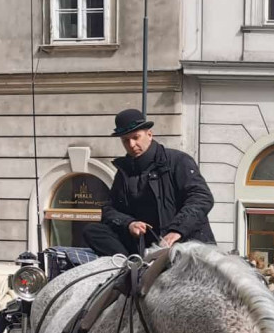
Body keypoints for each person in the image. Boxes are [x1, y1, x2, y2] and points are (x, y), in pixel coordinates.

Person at [81, 109, 216, 256]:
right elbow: (109, 209)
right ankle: (130, 264)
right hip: (143, 246)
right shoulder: (124, 171)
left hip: (184, 243)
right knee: (92, 230)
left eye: (136, 137)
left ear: (149, 135)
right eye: (125, 140)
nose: (132, 144)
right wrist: (129, 223)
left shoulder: (178, 160)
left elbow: (201, 197)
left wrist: (177, 231)